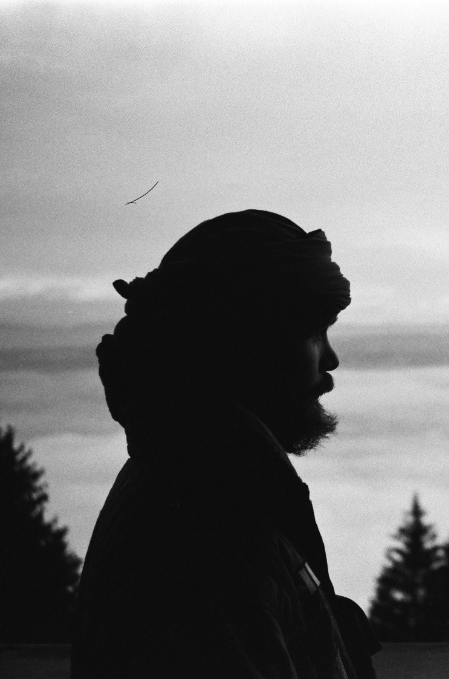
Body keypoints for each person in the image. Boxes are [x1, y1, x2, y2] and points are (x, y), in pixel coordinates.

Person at [72, 210, 380, 679]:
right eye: (314, 332)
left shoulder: (206, 482)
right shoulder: (212, 537)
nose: (331, 359)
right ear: (250, 344)